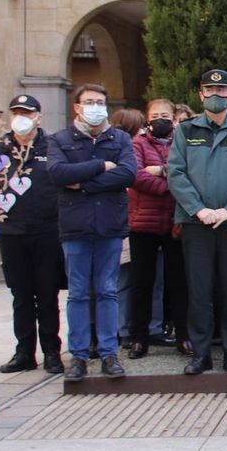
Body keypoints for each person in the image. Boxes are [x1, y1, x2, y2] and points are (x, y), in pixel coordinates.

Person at [166, 69, 227, 376]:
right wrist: (199, 210)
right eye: (209, 89)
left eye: (222, 91)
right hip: (196, 223)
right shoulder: (185, 130)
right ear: (200, 94)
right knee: (198, 291)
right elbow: (176, 173)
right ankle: (201, 354)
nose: (216, 95)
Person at [48, 83, 137, 379]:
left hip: (110, 226)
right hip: (76, 227)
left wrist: (82, 183)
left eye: (100, 101)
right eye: (89, 102)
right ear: (77, 107)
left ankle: (110, 354)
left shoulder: (120, 138)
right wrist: (101, 165)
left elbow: (128, 173)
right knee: (77, 294)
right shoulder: (61, 139)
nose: (96, 107)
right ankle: (79, 355)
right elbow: (59, 174)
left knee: (107, 290)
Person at [0, 95, 65, 375]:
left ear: (38, 117)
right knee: (20, 294)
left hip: (47, 230)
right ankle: (24, 351)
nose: (22, 117)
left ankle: (51, 351)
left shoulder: (52, 146)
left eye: (28, 112)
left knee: (47, 294)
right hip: (12, 231)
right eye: (17, 112)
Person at [127, 98, 188, 359]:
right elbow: (136, 176)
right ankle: (139, 338)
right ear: (147, 118)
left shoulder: (183, 143)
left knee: (179, 282)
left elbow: (189, 172)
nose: (160, 119)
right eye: (155, 115)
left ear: (174, 118)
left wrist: (161, 171)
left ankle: (184, 335)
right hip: (144, 223)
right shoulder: (136, 144)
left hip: (176, 222)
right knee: (142, 282)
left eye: (165, 114)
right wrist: (171, 184)